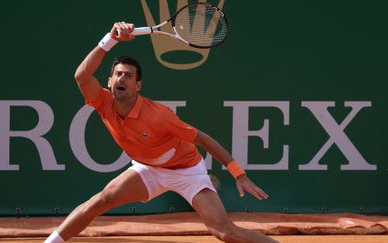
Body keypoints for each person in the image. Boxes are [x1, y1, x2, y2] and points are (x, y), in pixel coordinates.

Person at [44, 22, 278, 243]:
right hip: (148, 169)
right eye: (118, 74)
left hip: (186, 171)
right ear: (110, 80)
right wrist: (109, 40)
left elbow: (203, 139)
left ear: (138, 86)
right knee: (100, 201)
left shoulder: (159, 115)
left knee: (225, 232)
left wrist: (239, 173)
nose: (122, 78)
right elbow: (81, 76)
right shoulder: (102, 100)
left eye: (129, 75)